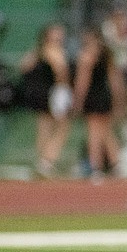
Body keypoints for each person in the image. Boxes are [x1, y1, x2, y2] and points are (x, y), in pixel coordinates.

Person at [19, 23, 74, 178]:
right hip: (51, 92)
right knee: (62, 126)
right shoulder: (53, 50)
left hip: (40, 92)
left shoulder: (39, 51)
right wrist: (64, 91)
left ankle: (42, 161)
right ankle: (47, 160)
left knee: (44, 128)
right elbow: (61, 72)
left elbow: (24, 66)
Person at [72, 27, 125, 182]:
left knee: (94, 133)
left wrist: (78, 101)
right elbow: (115, 81)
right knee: (106, 132)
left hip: (93, 97)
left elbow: (83, 82)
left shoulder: (86, 56)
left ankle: (96, 167)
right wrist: (118, 100)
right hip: (105, 96)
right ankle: (116, 164)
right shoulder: (106, 54)